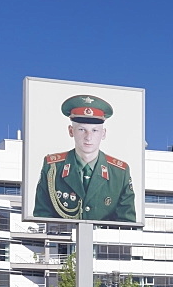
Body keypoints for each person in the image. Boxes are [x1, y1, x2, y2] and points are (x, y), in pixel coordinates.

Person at [33, 94, 136, 222]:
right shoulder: (52, 167)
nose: (88, 137)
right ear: (71, 131)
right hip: (63, 240)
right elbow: (42, 217)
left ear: (103, 134)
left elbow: (127, 224)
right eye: (82, 129)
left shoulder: (120, 173)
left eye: (95, 131)